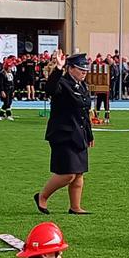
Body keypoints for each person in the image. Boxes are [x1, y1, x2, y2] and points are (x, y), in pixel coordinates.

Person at [36, 54, 97, 215]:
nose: (84, 72)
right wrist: (58, 68)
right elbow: (49, 88)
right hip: (63, 134)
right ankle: (42, 196)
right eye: (80, 69)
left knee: (78, 174)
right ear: (70, 69)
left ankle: (75, 207)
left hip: (79, 134)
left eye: (85, 70)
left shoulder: (82, 86)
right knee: (67, 174)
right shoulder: (62, 83)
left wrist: (89, 135)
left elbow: (84, 113)